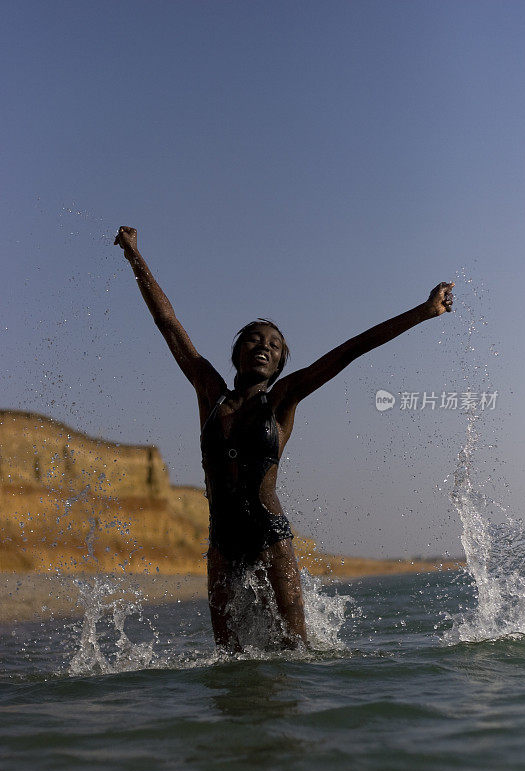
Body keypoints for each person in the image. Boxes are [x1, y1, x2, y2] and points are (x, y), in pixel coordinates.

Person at [114, 226, 454, 650]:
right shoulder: (210, 392)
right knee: (228, 659)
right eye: (254, 340)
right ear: (237, 352)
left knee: (296, 652)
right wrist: (135, 258)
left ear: (278, 365)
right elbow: (168, 324)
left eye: (274, 346)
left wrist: (422, 312)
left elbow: (350, 350)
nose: (264, 347)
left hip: (272, 537)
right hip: (222, 542)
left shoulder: (283, 401)